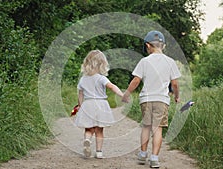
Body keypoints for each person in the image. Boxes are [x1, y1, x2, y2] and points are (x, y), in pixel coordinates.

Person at [122, 30, 181, 168]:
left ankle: (143, 155)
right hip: (162, 100)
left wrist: (127, 94)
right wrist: (177, 96)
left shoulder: (144, 61)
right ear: (163, 46)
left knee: (146, 127)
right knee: (158, 128)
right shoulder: (170, 62)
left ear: (148, 45)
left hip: (146, 100)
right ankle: (154, 158)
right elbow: (175, 84)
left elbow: (136, 80)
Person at [75, 50, 124, 159]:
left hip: (88, 104)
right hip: (100, 105)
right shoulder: (101, 78)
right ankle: (99, 152)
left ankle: (87, 140)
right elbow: (111, 86)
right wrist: (122, 94)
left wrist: (80, 106)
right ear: (102, 64)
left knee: (88, 128)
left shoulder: (83, 79)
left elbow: (80, 94)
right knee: (99, 130)